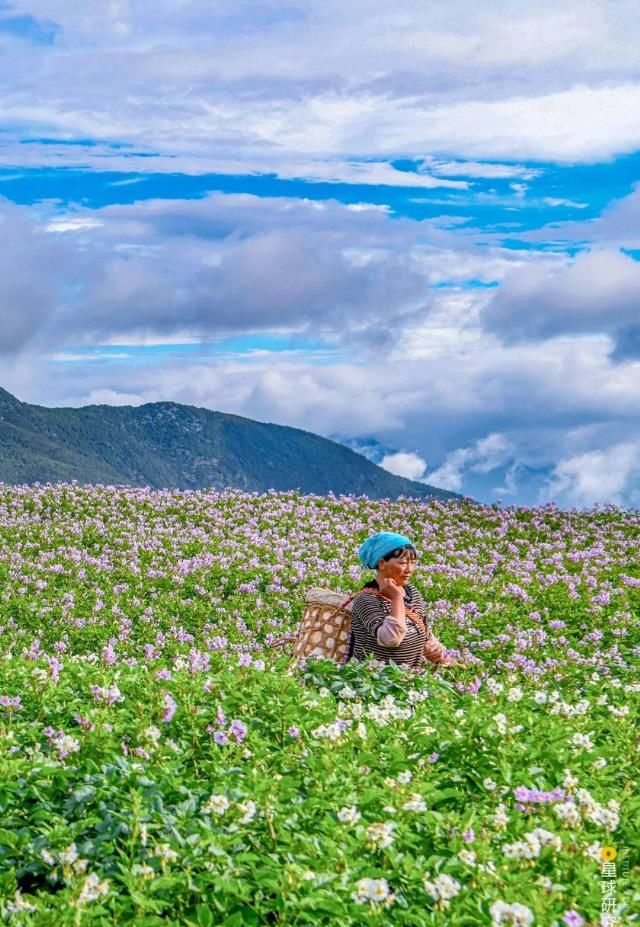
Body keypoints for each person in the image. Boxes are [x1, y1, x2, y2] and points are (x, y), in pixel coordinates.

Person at [348, 531, 466, 671]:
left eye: (413, 563)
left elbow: (425, 636)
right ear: (382, 564)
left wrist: (448, 661)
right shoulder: (366, 599)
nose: (409, 569)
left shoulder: (413, 594)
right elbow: (391, 639)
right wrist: (397, 598)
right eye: (403, 563)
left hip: (407, 681)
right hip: (372, 678)